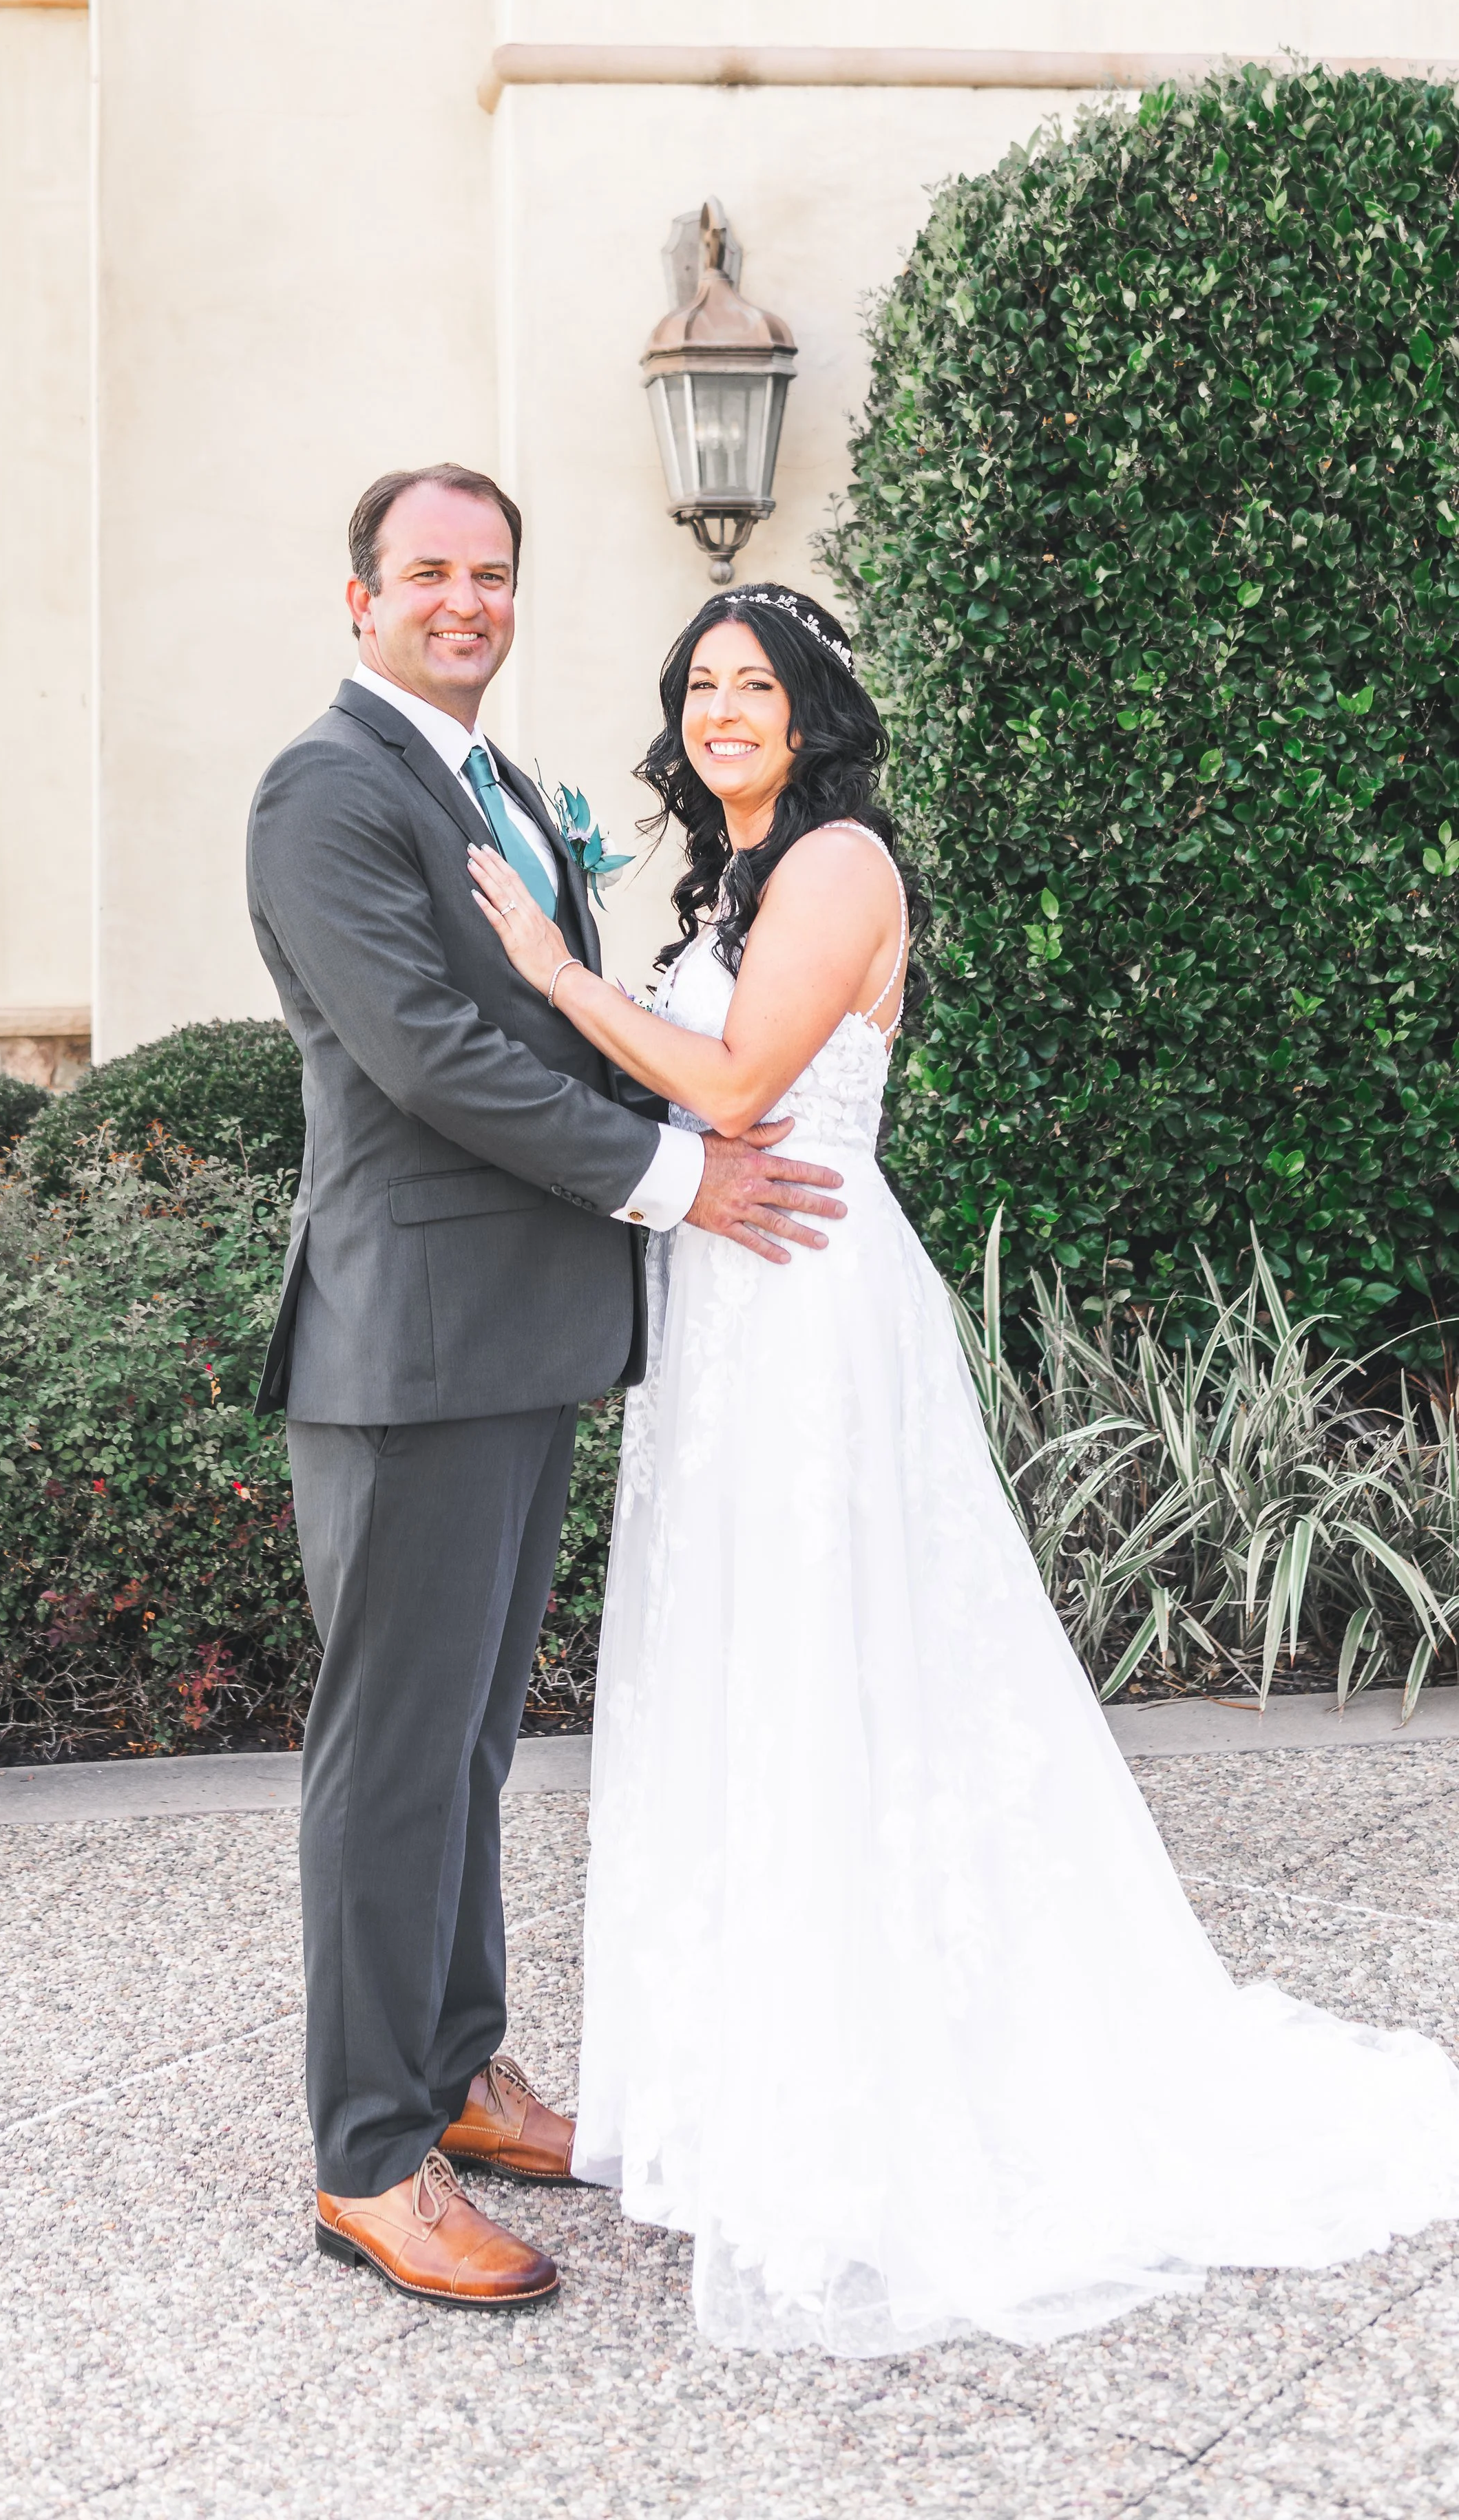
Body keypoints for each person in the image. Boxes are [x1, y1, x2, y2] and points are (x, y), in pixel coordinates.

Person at [470, 580, 1459, 2357]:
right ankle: (742, 2077)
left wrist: (550, 973)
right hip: (718, 1305)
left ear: (818, 708)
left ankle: (867, 2091)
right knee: (732, 1664)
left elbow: (743, 1073)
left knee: (838, 1663)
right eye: (699, 686)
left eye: (756, 684)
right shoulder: (716, 878)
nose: (722, 711)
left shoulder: (839, 863)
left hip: (810, 1307)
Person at [245, 470, 846, 2312]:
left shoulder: (495, 786)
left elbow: (561, 1006)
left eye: (491, 572)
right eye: (427, 571)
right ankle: (368, 2153)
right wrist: (676, 1180)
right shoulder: (327, 790)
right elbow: (426, 1057)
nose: (464, 599)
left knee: (475, 1743)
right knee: (393, 1753)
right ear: (358, 598)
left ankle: (460, 2065)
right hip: (410, 1348)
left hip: (517, 1334)